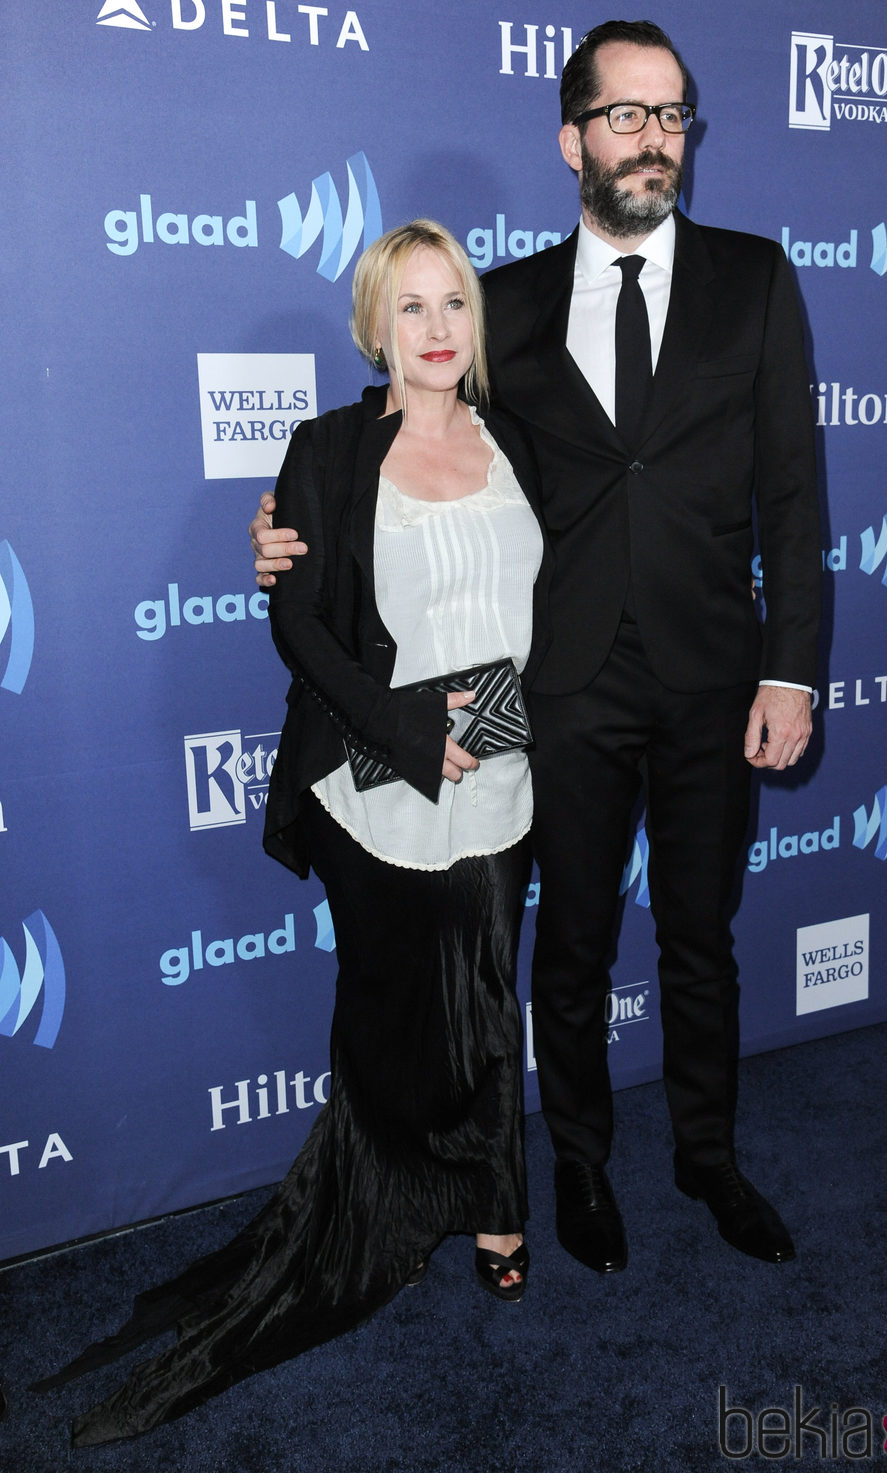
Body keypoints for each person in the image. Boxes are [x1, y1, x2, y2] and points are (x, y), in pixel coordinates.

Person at [254, 21, 822, 1276]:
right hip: (557, 689)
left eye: (670, 116)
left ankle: (708, 1158)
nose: (650, 139)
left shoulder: (756, 278)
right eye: (624, 116)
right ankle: (576, 1160)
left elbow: (793, 491)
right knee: (566, 944)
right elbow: (415, 409)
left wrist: (791, 668)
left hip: (713, 679)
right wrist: (301, 515)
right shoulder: (501, 302)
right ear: (571, 138)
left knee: (698, 932)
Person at [33, 220, 550, 1446]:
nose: (434, 329)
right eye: (409, 307)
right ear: (375, 325)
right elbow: (302, 628)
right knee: (385, 1011)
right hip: (374, 780)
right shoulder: (325, 451)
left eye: (454, 306)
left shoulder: (514, 440)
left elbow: (563, 587)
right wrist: (411, 733)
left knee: (485, 993)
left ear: (475, 324)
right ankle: (379, 1207)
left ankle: (489, 1204)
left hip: (504, 774)